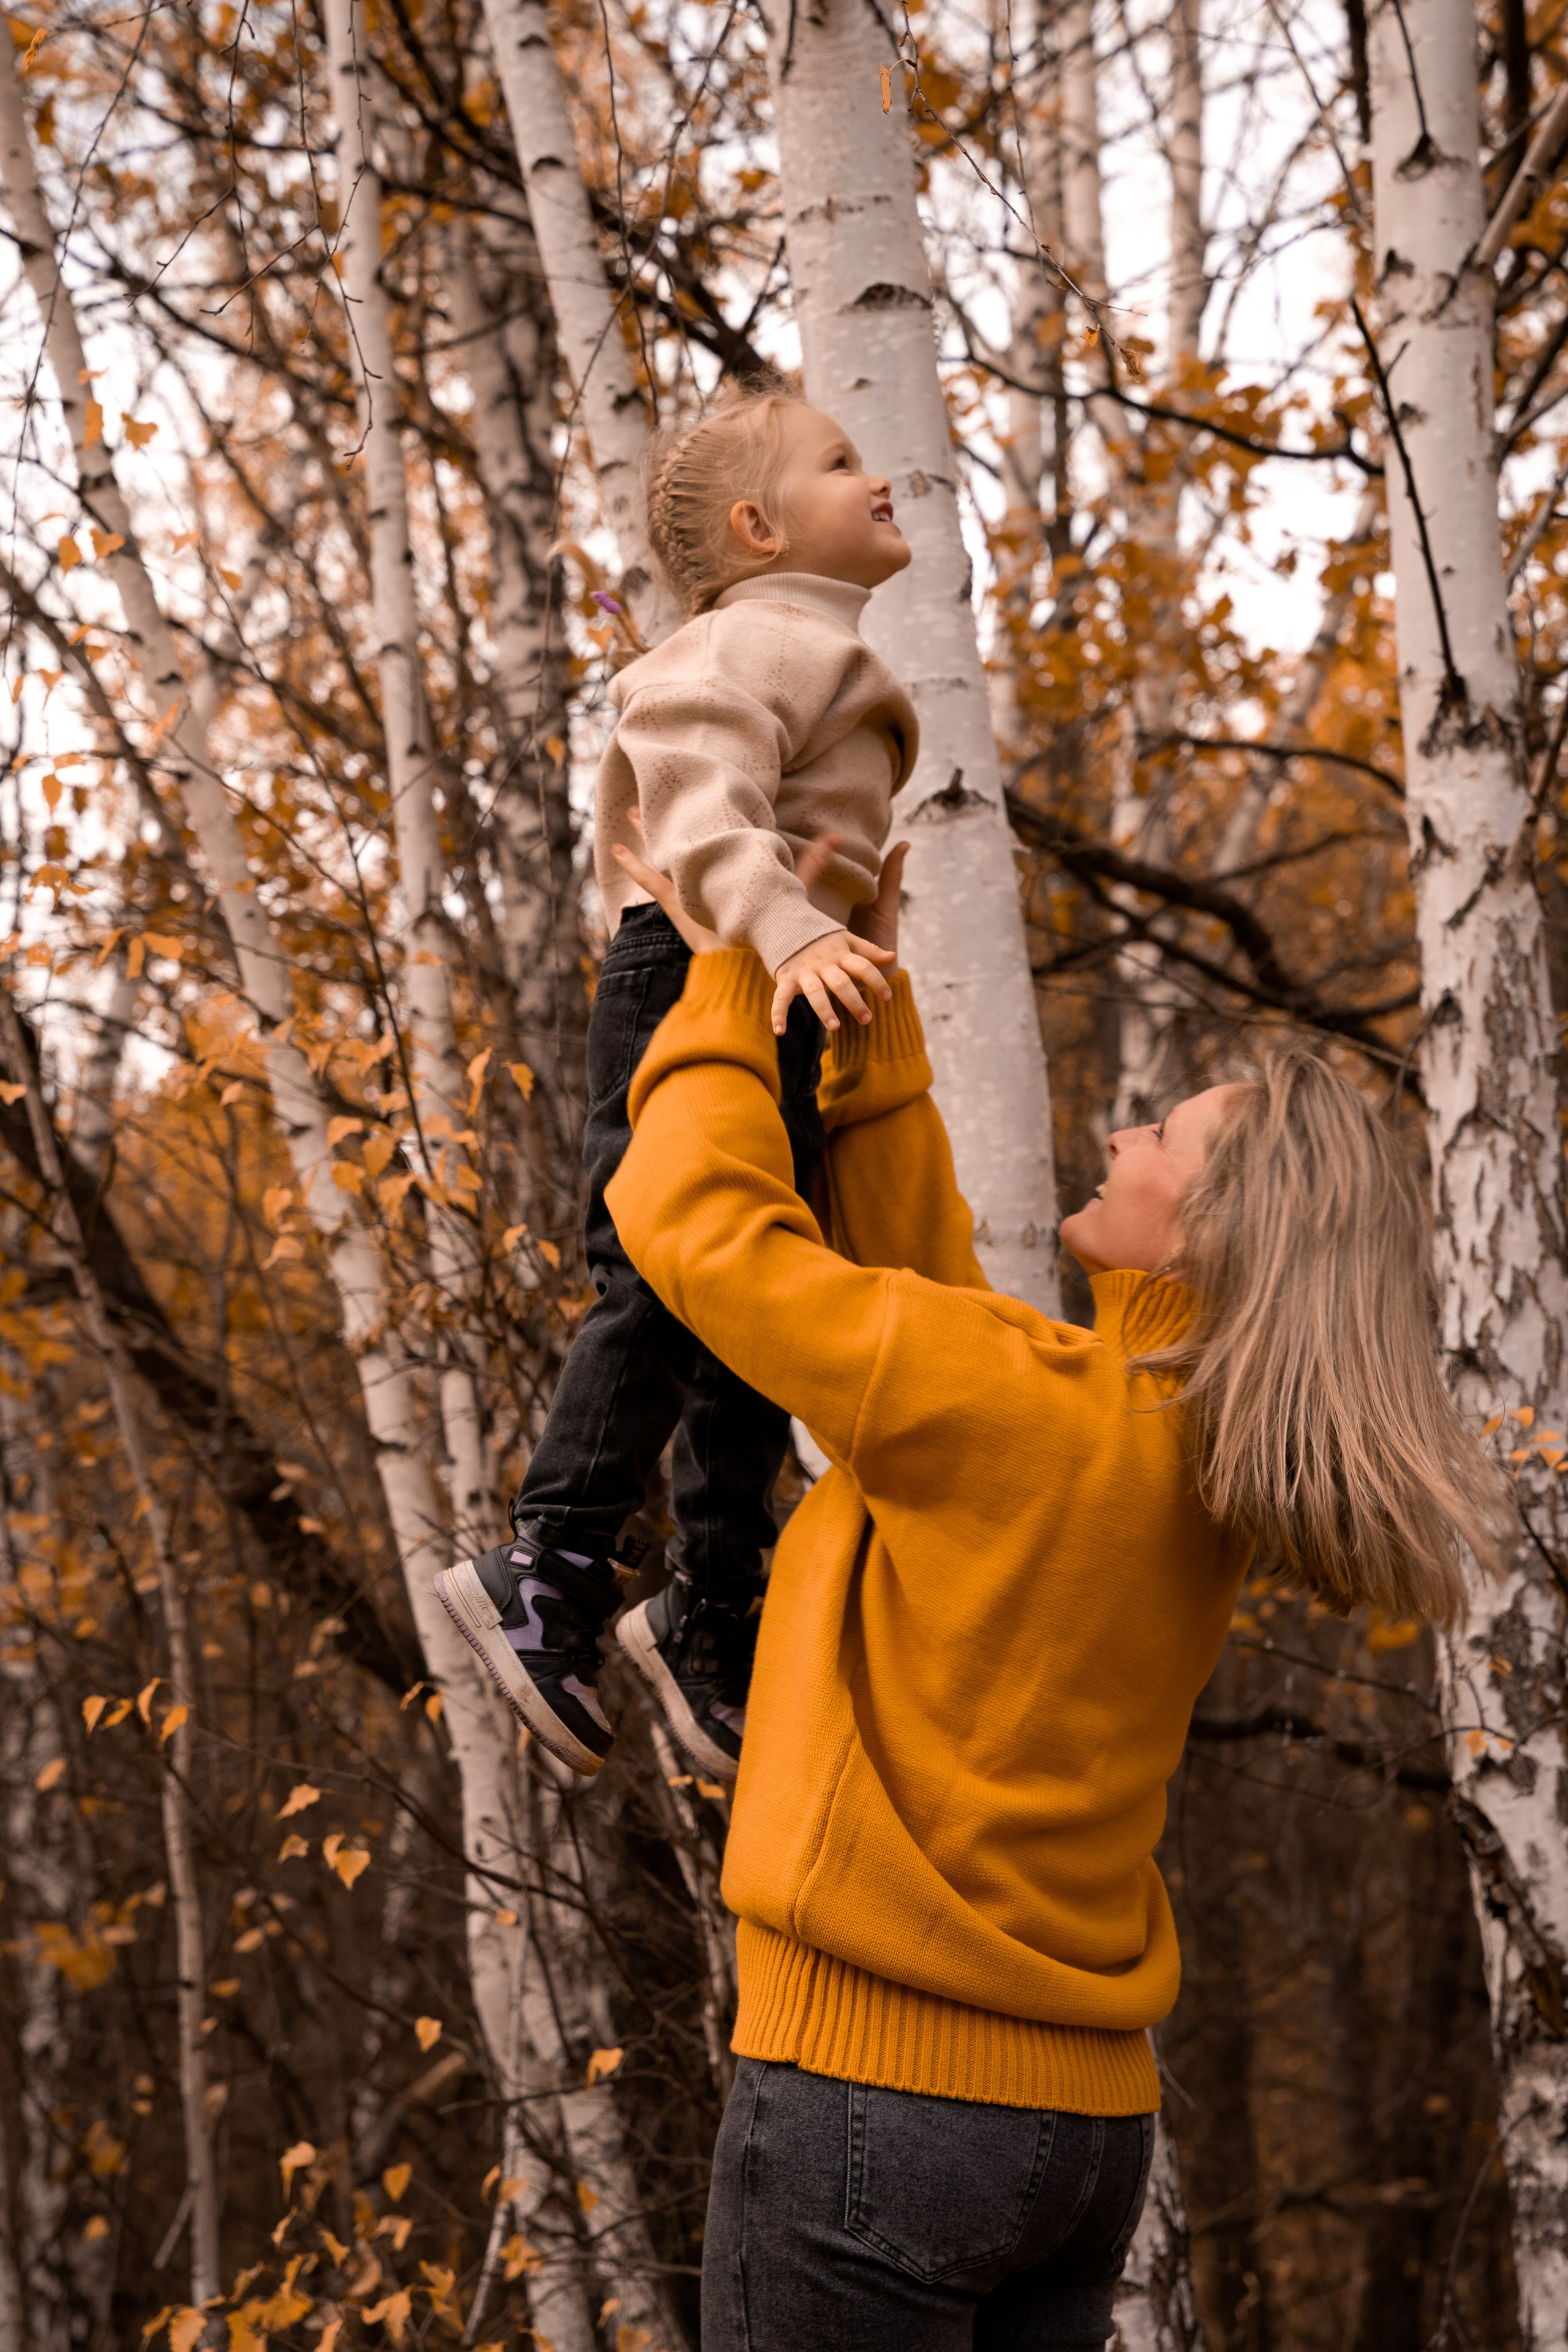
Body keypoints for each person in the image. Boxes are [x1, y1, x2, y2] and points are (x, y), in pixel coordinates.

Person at [600, 835, 1509, 2350]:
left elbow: (694, 1227)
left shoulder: (1026, 1413)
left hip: (872, 2109)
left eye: (1159, 1130)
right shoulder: (1172, 1449)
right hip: (1077, 2142)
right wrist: (864, 1013)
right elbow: (933, 1313)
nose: (1123, 1130)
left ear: (1213, 1228)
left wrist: (721, 964)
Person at [435, 389, 919, 1780]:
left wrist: (839, 942)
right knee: (660, 1274)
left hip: (779, 986)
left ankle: (711, 1600)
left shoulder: (814, 646)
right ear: (761, 529)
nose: (875, 473)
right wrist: (788, 928)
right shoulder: (738, 642)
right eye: (842, 461)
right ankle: (553, 1569)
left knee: (761, 1296)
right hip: (689, 976)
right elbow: (699, 801)